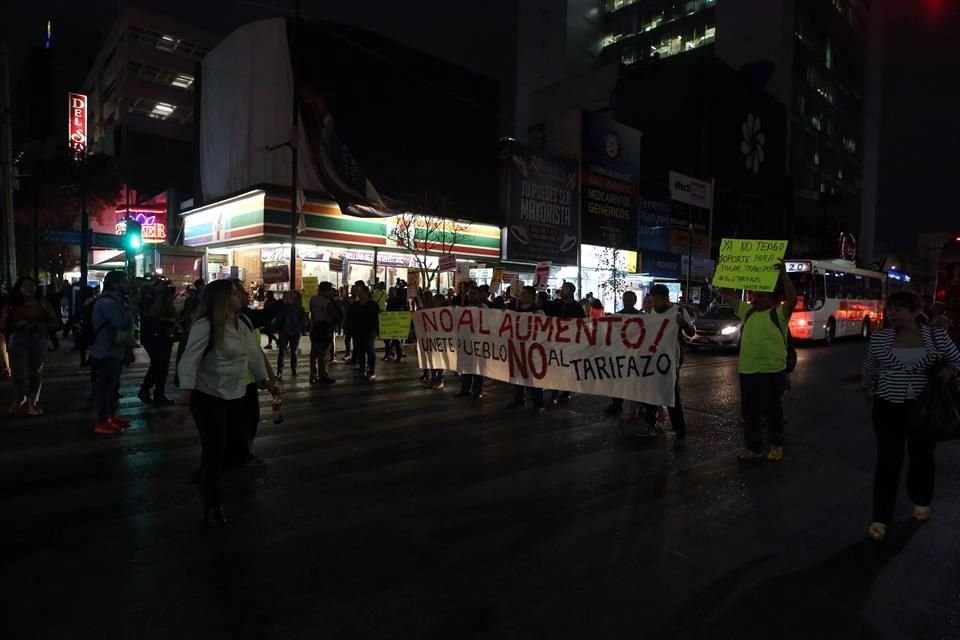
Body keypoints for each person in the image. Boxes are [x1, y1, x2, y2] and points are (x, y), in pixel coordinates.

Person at [175, 279, 279, 526]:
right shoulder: (206, 325)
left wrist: (266, 382)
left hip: (236, 394)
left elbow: (253, 354)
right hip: (208, 396)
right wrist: (183, 400)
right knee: (215, 449)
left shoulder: (241, 322)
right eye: (233, 294)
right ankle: (212, 502)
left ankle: (210, 483)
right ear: (221, 299)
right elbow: (189, 361)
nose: (240, 297)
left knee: (233, 445)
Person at [861, 291, 960, 541]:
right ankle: (880, 518)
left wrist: (948, 372)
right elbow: (870, 367)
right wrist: (869, 387)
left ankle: (921, 500)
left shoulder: (935, 336)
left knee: (922, 457)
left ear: (915, 312)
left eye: (899, 309)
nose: (891, 313)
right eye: (890, 308)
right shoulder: (880, 338)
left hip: (924, 408)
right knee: (887, 462)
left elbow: (957, 361)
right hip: (887, 408)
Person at [720, 260, 797, 461]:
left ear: (773, 300)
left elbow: (792, 298)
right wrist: (729, 270)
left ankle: (776, 444)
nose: (755, 298)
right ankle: (753, 446)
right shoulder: (748, 311)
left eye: (761, 295)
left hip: (772, 370)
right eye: (754, 294)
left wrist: (784, 276)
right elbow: (727, 293)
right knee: (750, 412)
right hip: (748, 369)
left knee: (773, 410)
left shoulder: (779, 314)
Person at [633, 284, 696, 447]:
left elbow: (691, 333)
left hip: (670, 360)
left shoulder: (679, 312)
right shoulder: (651, 311)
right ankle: (650, 424)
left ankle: (680, 430)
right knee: (650, 393)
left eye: (657, 301)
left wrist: (682, 324)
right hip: (651, 358)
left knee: (671, 394)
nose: (655, 305)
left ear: (666, 298)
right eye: (652, 301)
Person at [1, 277, 60, 415]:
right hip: (18, 339)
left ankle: (32, 402)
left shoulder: (43, 303)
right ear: (19, 289)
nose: (29, 288)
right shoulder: (12, 306)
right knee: (18, 371)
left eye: (31, 285)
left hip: (38, 338)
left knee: (36, 371)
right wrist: (17, 325)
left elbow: (55, 324)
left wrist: (41, 326)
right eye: (25, 286)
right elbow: (3, 326)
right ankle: (20, 396)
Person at [90, 271, 137, 434]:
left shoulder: (114, 301)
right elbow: (121, 324)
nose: (128, 285)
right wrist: (130, 309)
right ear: (115, 284)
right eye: (125, 282)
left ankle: (110, 416)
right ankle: (103, 421)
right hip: (106, 351)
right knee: (105, 387)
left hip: (113, 350)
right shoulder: (107, 303)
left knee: (111, 386)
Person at [545, 282, 586, 406]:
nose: (562, 291)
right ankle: (554, 392)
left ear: (571, 292)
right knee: (554, 367)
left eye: (565, 289)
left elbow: (582, 324)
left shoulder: (576, 307)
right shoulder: (555, 304)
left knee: (567, 368)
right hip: (555, 342)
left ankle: (566, 391)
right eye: (562, 289)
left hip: (569, 343)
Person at [506, 286, 545, 411]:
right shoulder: (516, 310)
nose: (521, 296)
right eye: (521, 293)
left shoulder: (538, 312)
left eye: (523, 293)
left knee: (533, 377)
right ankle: (519, 399)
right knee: (517, 375)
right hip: (518, 348)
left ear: (531, 296)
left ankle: (538, 403)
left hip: (532, 349)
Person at [138, 282, 177, 406]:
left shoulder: (165, 298)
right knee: (157, 364)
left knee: (163, 366)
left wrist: (168, 299)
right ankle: (147, 390)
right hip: (151, 335)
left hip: (165, 335)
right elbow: (152, 313)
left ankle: (157, 392)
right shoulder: (147, 297)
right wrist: (159, 296)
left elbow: (173, 313)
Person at [604, 291, 642, 417]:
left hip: (634, 355)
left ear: (635, 301)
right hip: (619, 354)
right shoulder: (618, 316)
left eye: (629, 300)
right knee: (617, 380)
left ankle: (636, 407)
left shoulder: (641, 317)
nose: (627, 302)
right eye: (625, 299)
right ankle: (617, 404)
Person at [456, 283, 489, 399]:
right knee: (466, 367)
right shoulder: (463, 307)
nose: (471, 296)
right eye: (469, 293)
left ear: (479, 295)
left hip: (479, 343)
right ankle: (465, 389)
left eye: (473, 294)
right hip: (466, 342)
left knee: (478, 368)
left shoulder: (484, 308)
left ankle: (477, 391)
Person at [309, 282, 340, 384]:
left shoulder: (313, 299)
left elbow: (312, 314)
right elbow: (334, 316)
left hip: (315, 327)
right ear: (326, 290)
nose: (332, 292)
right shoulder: (328, 302)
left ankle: (313, 375)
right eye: (330, 290)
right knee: (324, 354)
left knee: (314, 353)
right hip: (325, 328)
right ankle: (323, 375)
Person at [348, 284, 380, 381]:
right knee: (360, 351)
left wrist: (375, 330)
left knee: (369, 350)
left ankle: (371, 370)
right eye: (358, 291)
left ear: (366, 293)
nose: (359, 293)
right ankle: (362, 370)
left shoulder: (372, 305)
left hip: (369, 331)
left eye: (361, 291)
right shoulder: (355, 305)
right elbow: (351, 317)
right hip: (358, 331)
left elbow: (376, 318)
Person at [275, 290, 307, 380]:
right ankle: (283, 370)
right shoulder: (287, 307)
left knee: (289, 351)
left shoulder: (298, 308)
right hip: (288, 331)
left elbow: (302, 321)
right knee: (287, 351)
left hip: (289, 331)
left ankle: (286, 370)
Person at [384, 286, 409, 361]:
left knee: (395, 340)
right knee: (389, 340)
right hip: (390, 321)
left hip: (396, 322)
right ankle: (391, 354)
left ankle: (397, 355)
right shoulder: (390, 301)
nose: (390, 293)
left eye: (392, 291)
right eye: (390, 291)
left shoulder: (398, 301)